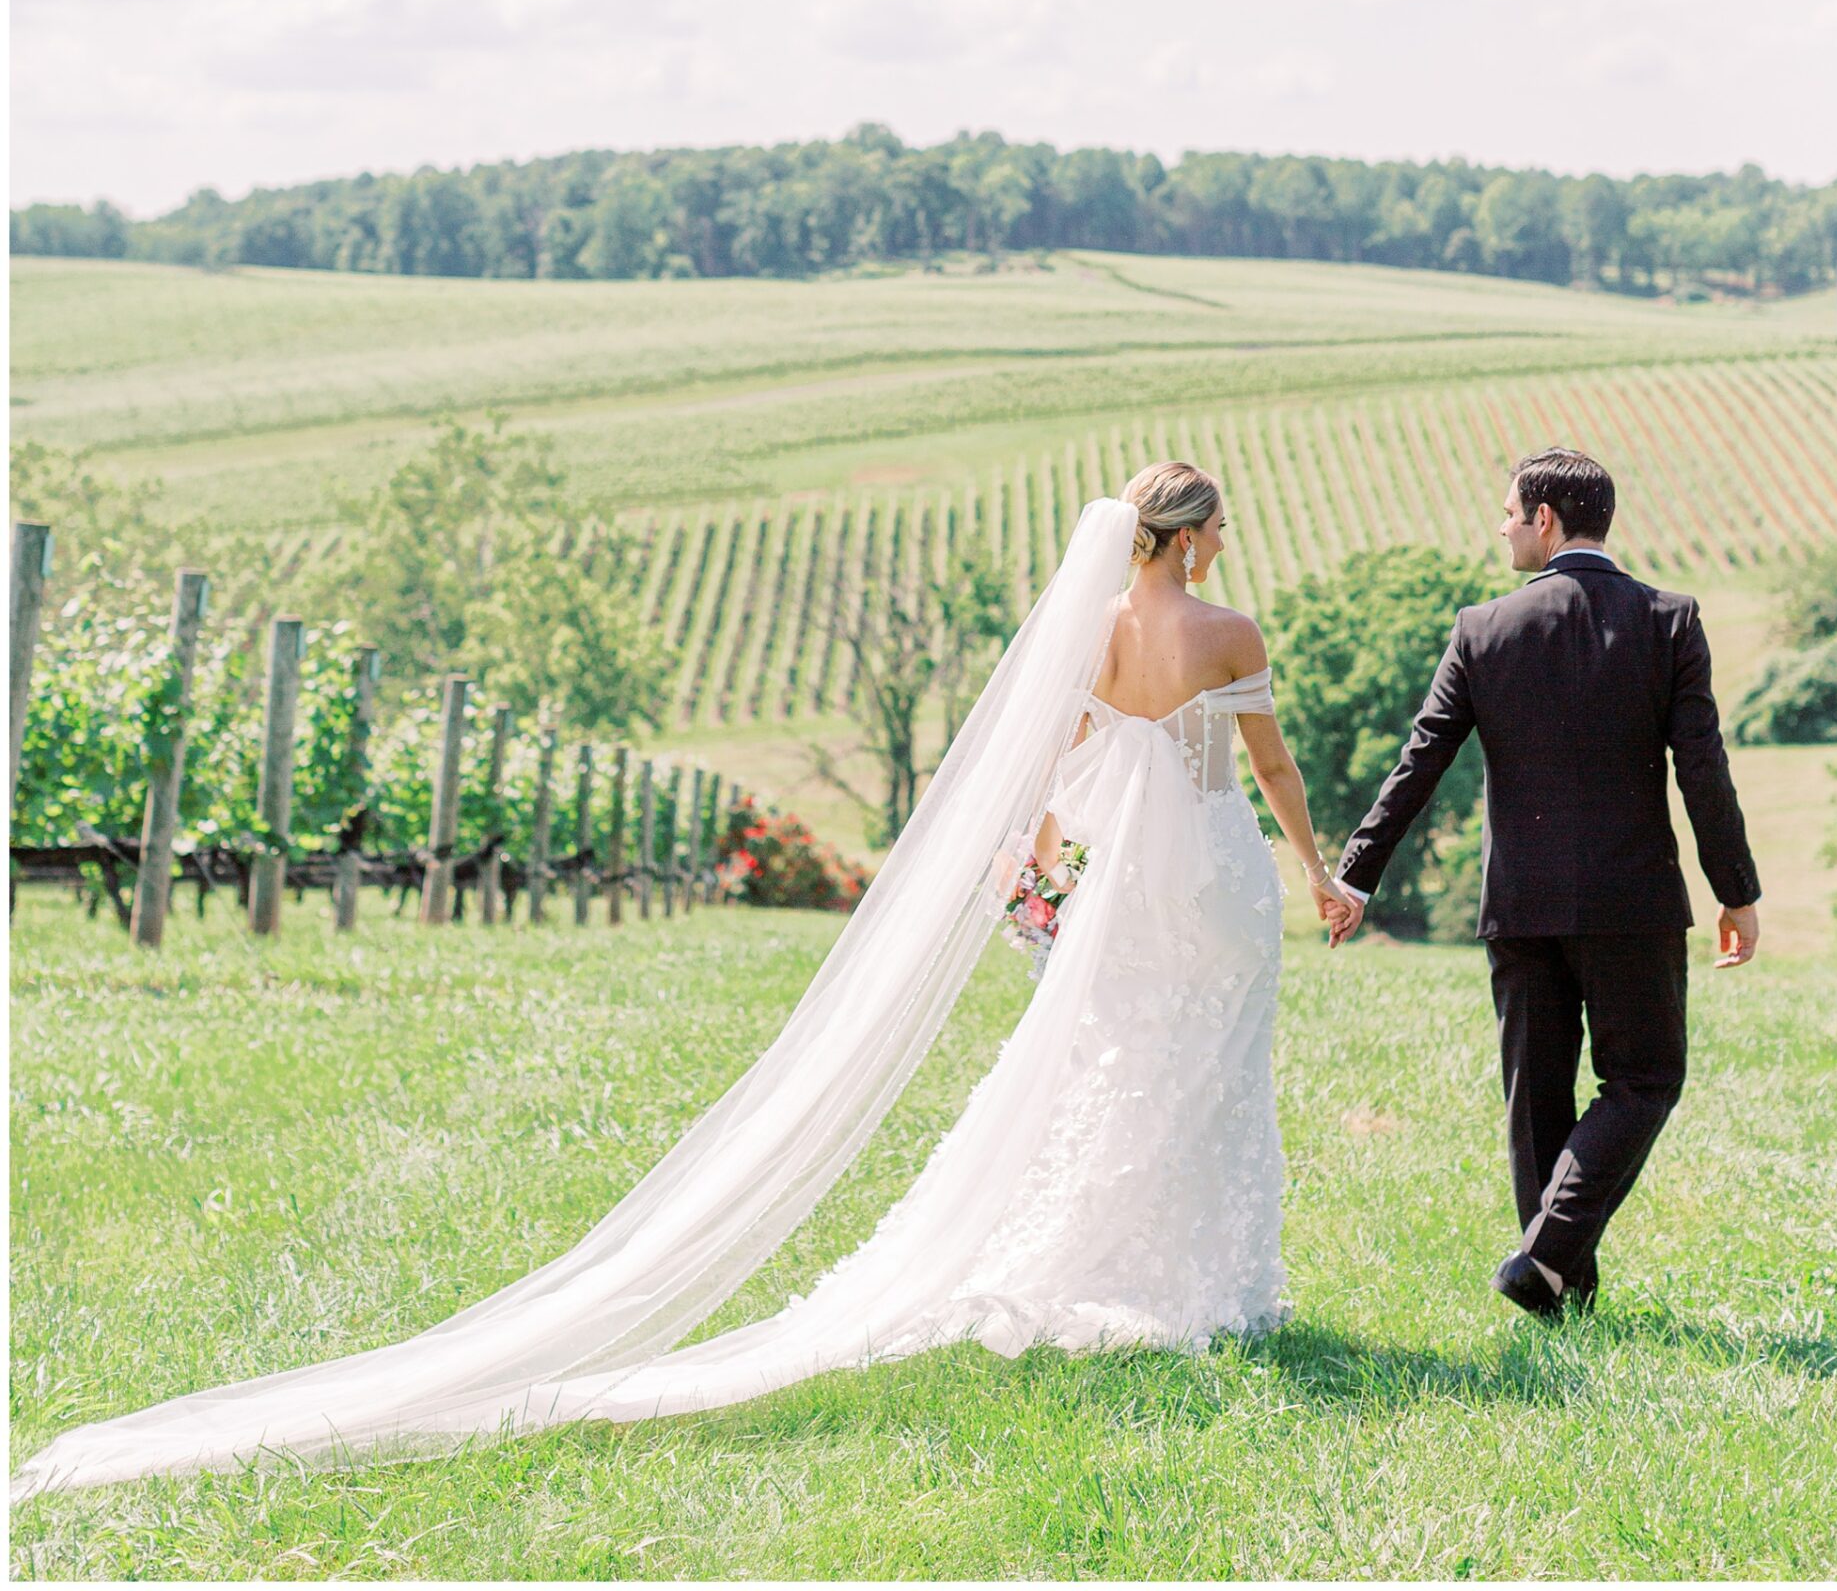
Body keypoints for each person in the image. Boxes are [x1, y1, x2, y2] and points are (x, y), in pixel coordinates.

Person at [13, 464, 1351, 1500]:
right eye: (1214, 529)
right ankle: (1196, 1283)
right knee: (1195, 1065)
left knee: (1108, 1063)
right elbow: (1265, 769)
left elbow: (1056, 772)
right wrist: (1318, 873)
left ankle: (1120, 1269)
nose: (1222, 548)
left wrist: (1041, 870)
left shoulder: (1088, 638)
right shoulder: (1225, 632)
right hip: (1207, 878)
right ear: (1188, 536)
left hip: (1116, 886)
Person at [1325, 446, 1762, 1320]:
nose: (1501, 527)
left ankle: (1550, 1278)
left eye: (1509, 512)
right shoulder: (1668, 620)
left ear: (1547, 520)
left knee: (1538, 1093)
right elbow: (1701, 768)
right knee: (1643, 1082)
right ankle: (1551, 1263)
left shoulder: (1481, 628)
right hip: (1629, 900)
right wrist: (1736, 889)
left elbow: (1419, 763)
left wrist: (1356, 876)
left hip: (1518, 901)